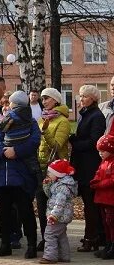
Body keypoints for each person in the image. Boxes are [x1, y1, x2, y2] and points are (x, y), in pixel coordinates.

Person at [0, 90, 41, 259]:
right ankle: (5, 244)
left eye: (9, 104)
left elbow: (35, 140)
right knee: (2, 212)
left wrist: (16, 151)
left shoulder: (31, 122)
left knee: (26, 211)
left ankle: (31, 245)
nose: (8, 107)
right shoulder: (0, 122)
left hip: (21, 175)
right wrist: (3, 151)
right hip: (2, 175)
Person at [70, 84, 106, 252]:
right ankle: (94, 236)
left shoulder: (96, 116)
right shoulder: (85, 114)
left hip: (89, 165)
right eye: (80, 96)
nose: (80, 99)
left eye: (84, 96)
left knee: (90, 204)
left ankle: (91, 238)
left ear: (93, 98)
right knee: (88, 203)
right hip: (82, 164)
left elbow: (94, 142)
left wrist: (75, 142)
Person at [36, 88, 71, 251]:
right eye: (42, 99)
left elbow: (57, 145)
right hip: (41, 166)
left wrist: (45, 132)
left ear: (56, 100)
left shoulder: (63, 121)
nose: (44, 101)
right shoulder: (43, 119)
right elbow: (39, 143)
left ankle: (55, 240)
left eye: (47, 98)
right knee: (42, 205)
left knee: (54, 206)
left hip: (55, 170)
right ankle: (45, 238)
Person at [39, 159, 78, 264]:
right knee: (61, 236)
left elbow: (59, 203)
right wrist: (47, 185)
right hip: (62, 217)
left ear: (58, 174)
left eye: (50, 173)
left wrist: (53, 215)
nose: (48, 174)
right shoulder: (60, 184)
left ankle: (50, 256)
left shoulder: (62, 187)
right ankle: (64, 256)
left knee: (49, 234)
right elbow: (50, 196)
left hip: (57, 216)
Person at [90, 134, 114, 259]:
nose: (100, 153)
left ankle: (112, 246)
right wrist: (95, 181)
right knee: (105, 222)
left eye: (103, 151)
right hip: (102, 198)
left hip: (110, 198)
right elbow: (99, 173)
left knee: (111, 222)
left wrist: (100, 184)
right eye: (99, 151)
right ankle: (108, 244)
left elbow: (112, 180)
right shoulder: (104, 162)